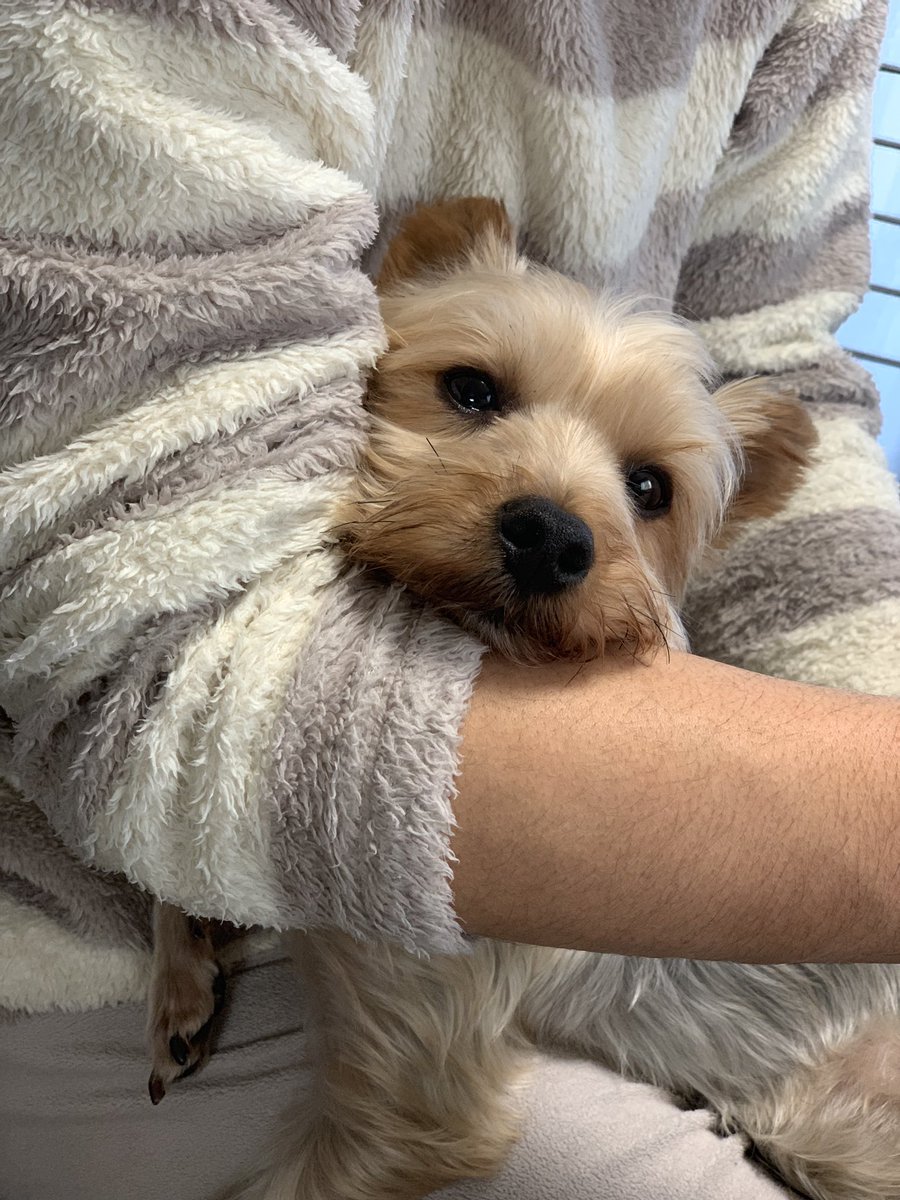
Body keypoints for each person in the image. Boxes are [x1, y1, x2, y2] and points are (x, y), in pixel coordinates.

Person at [1, 1, 898, 1197]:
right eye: (475, 393)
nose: (559, 521)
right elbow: (149, 619)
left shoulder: (817, 19)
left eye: (645, 489)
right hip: (73, 944)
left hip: (839, 1074)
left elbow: (780, 356)